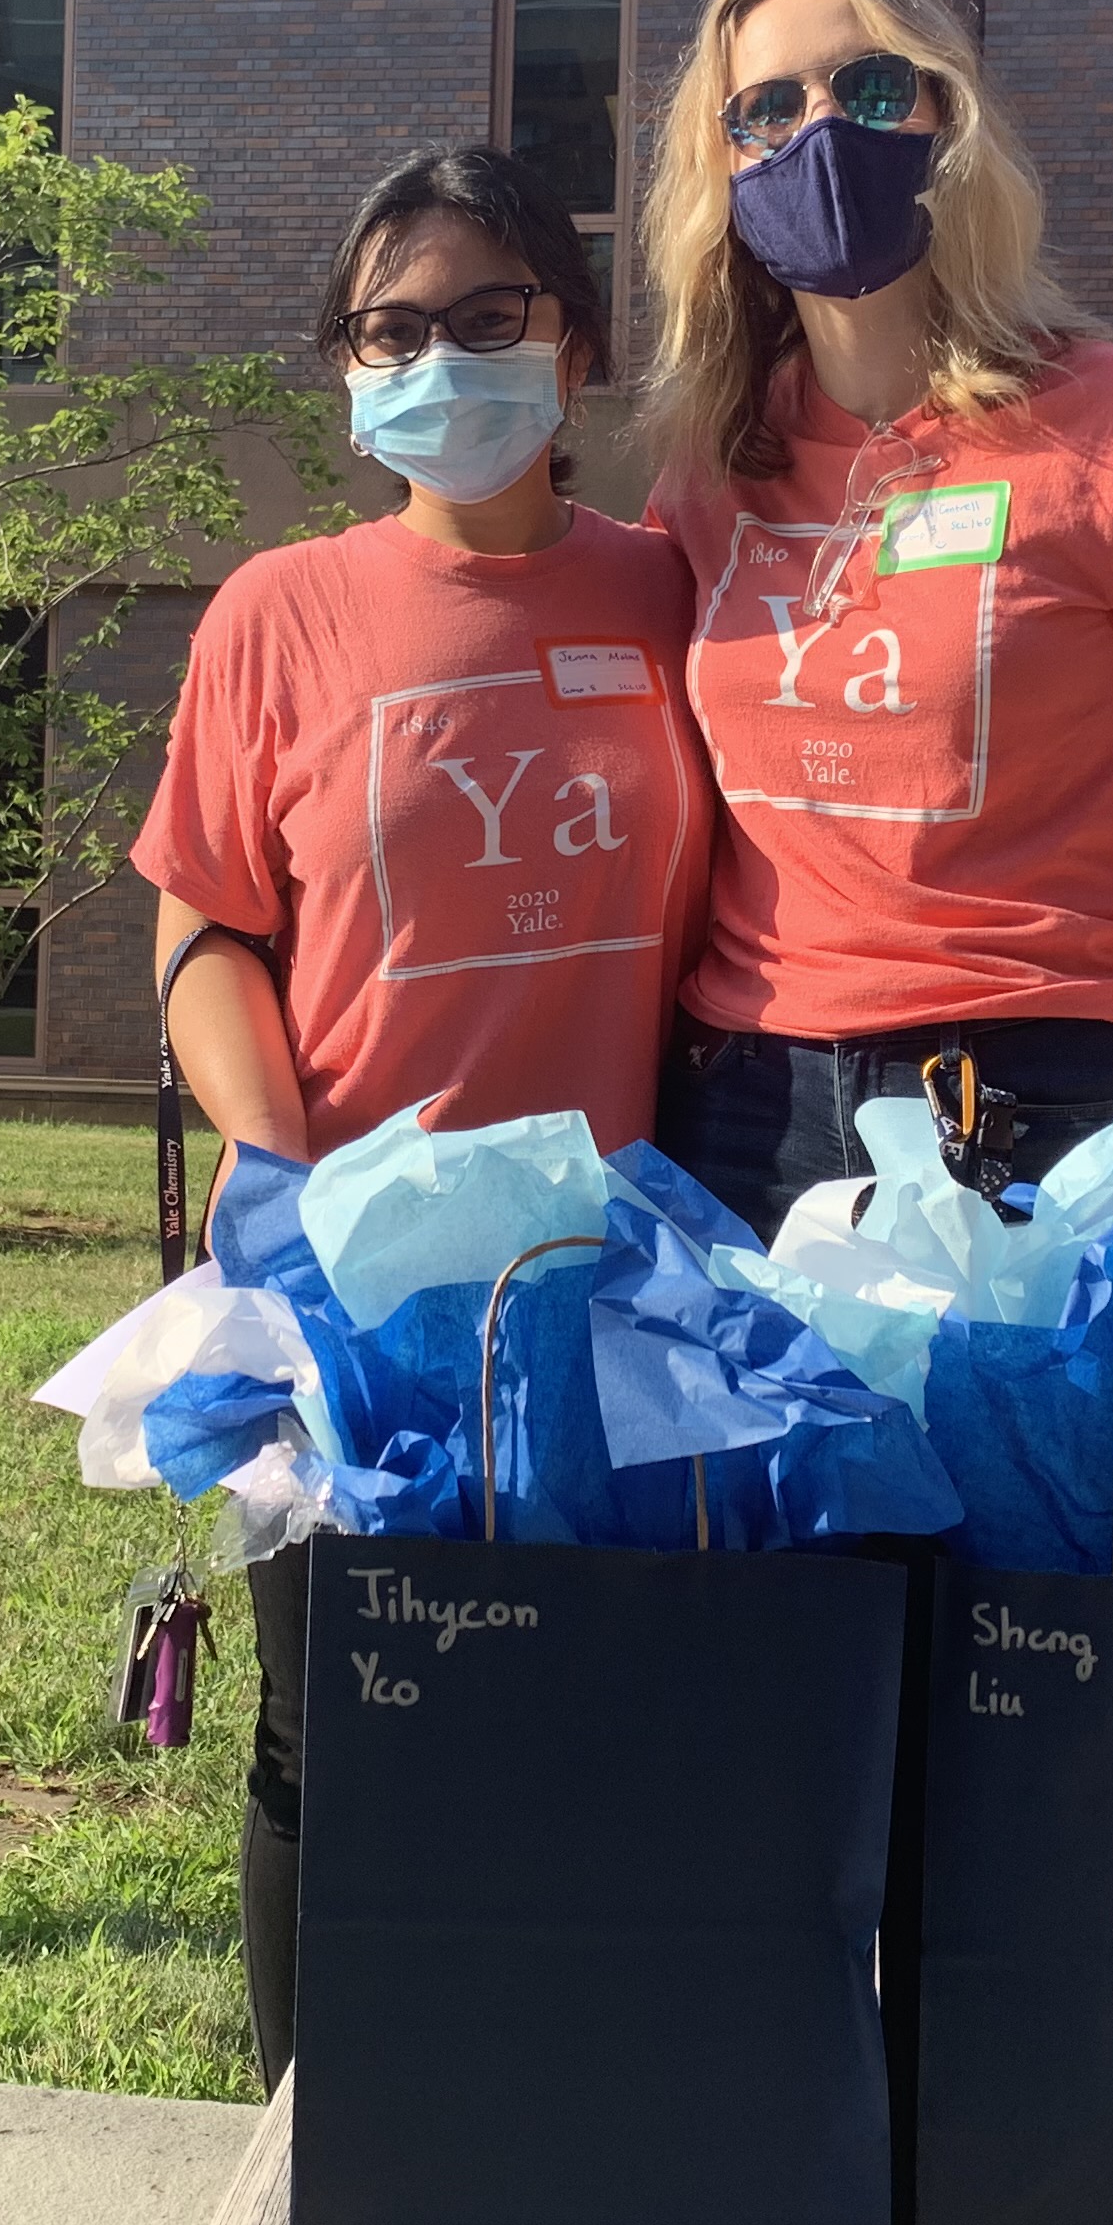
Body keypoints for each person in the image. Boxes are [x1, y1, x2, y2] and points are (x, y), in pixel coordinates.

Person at [129, 143, 710, 2089]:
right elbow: (205, 934)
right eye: (393, 330)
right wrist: (280, 1171)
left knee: (589, 1726)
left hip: (603, 1291)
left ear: (576, 341)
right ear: (343, 365)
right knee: (335, 1731)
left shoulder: (665, 592)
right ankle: (323, 2142)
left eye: (487, 319)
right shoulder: (279, 614)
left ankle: (537, 2115)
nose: (439, 363)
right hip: (349, 1295)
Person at [638, 0, 1113, 1235]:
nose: (818, 130)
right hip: (750, 1117)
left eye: (866, 89)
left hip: (1053, 1098)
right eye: (767, 109)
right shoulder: (704, 481)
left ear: (944, 116)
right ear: (723, 170)